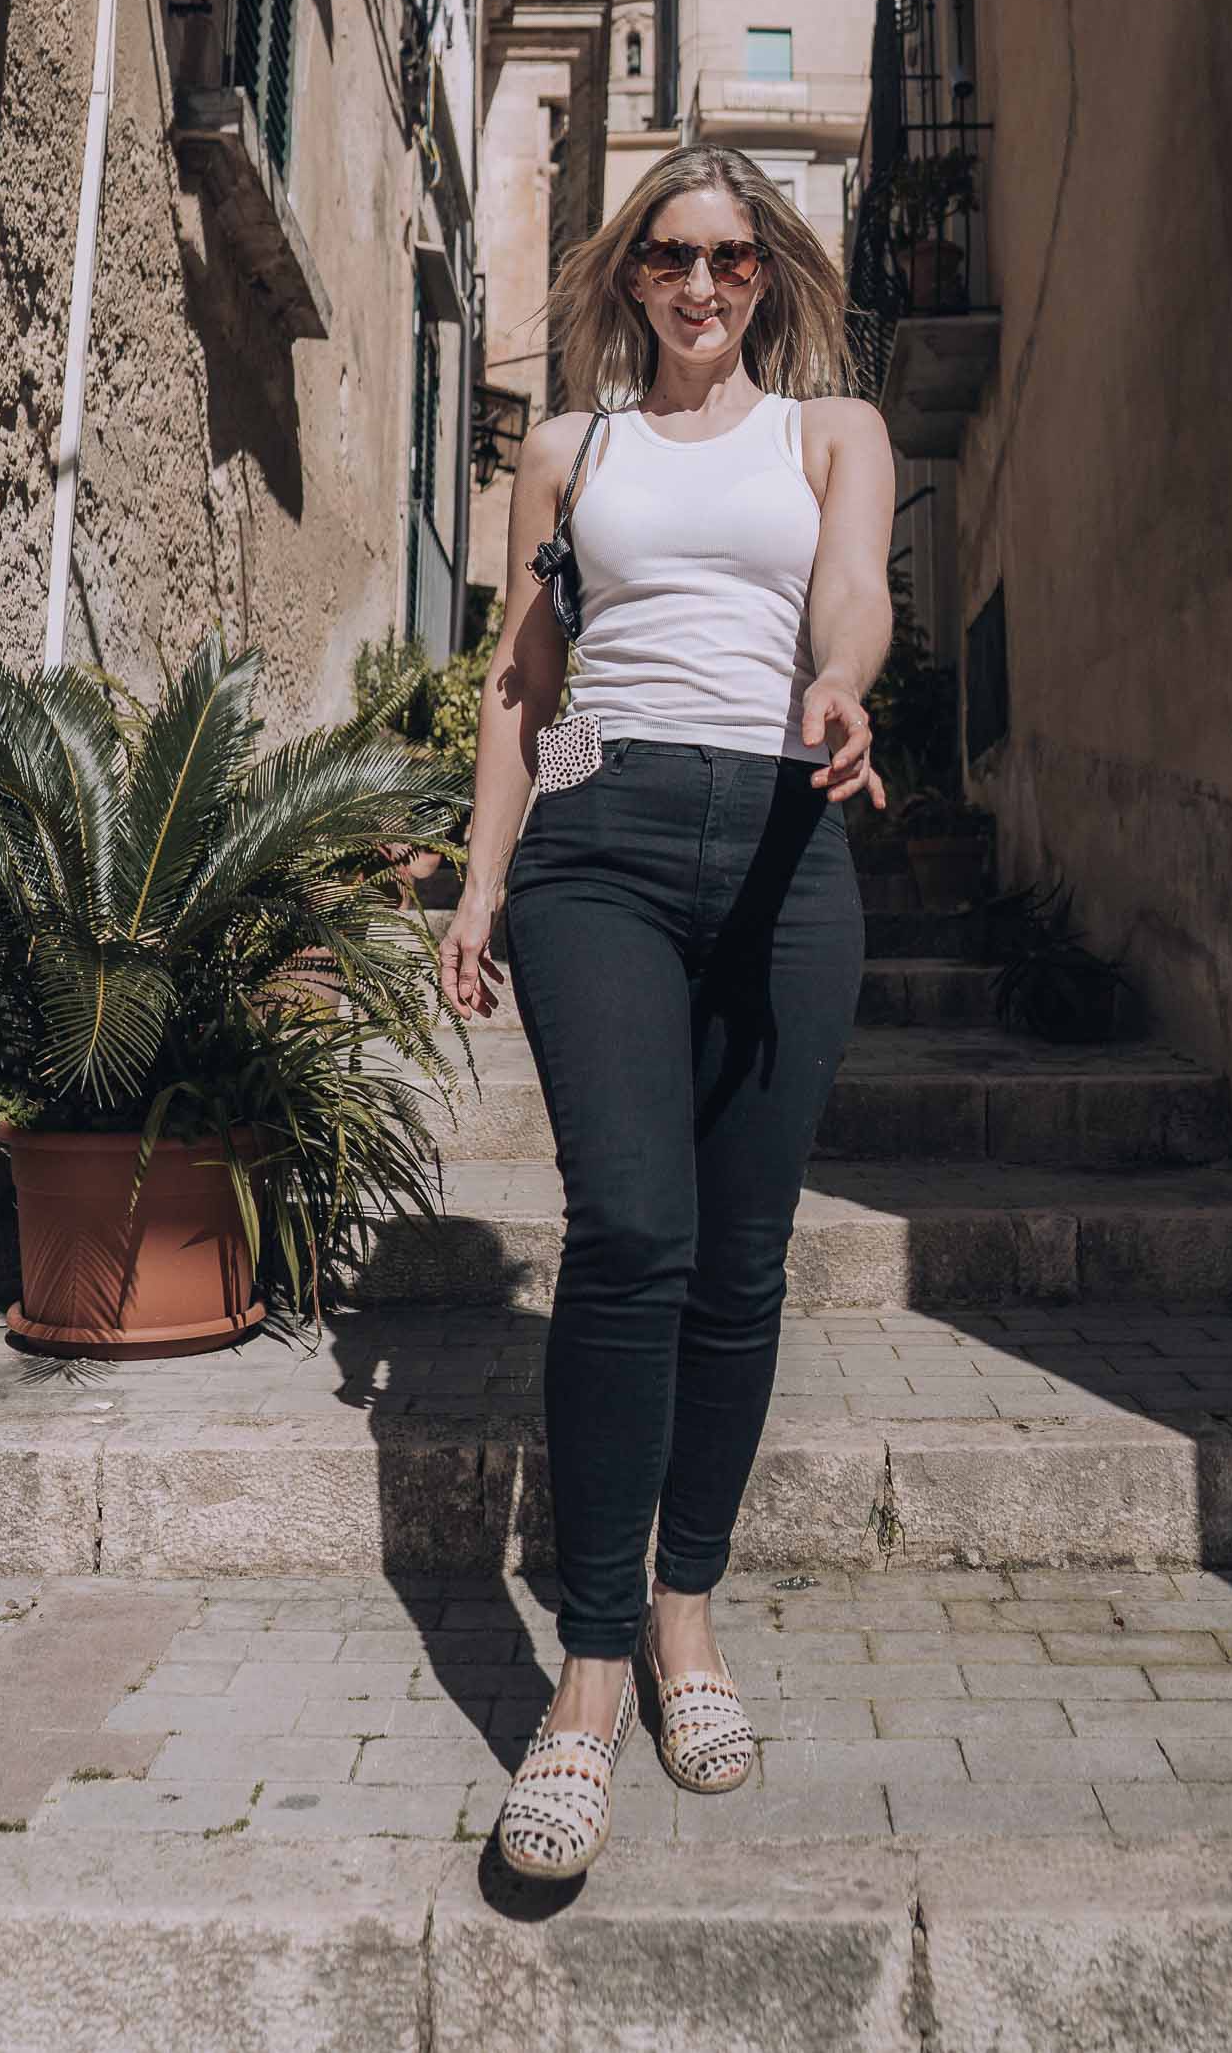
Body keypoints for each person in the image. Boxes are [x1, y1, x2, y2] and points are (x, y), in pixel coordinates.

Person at [437, 144, 895, 1879]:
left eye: (731, 259)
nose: (701, 286)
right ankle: (593, 1673)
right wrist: (487, 876)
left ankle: (688, 1612)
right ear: (628, 278)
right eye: (667, 259)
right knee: (631, 1231)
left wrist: (839, 681)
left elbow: (849, 584)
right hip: (603, 842)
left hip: (787, 839)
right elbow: (519, 680)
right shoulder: (573, 451)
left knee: (745, 1252)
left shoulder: (832, 433)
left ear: (767, 275)